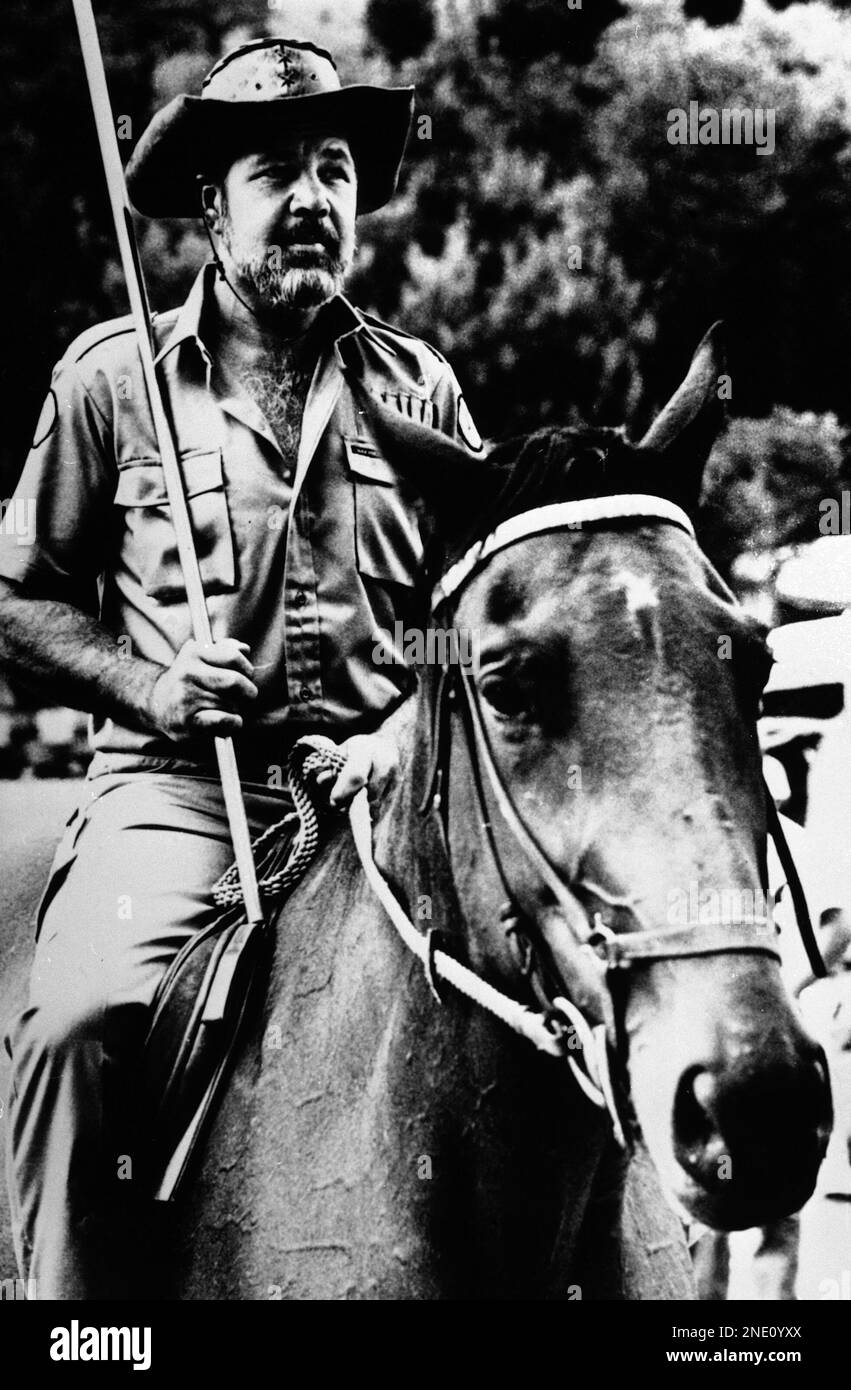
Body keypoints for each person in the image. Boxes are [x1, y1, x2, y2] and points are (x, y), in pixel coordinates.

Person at [0, 37, 484, 1299]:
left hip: (377, 799)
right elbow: (17, 599)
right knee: (78, 1024)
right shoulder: (113, 380)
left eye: (336, 168)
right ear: (211, 203)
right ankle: (72, 1325)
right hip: (179, 793)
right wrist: (153, 687)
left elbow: (476, 619)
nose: (317, 195)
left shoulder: (418, 386)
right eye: (279, 169)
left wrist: (403, 726)